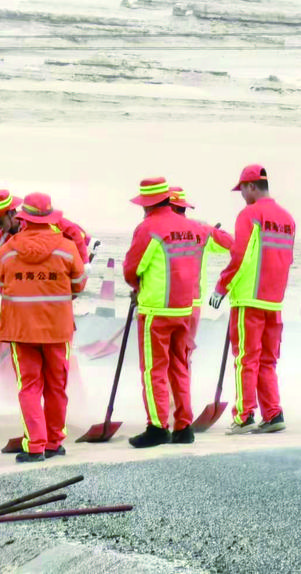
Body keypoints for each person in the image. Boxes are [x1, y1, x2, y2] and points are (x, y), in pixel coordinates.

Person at [0, 192, 87, 462]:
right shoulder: (66, 247)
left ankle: (35, 446)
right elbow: (79, 283)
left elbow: (1, 284)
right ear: (50, 218)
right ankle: (54, 443)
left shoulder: (8, 249)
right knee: (57, 386)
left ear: (24, 218)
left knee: (29, 387)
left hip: (20, 329)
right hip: (57, 329)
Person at [0, 189, 92, 399]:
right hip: (17, 306)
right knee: (1, 346)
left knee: (60, 352)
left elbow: (80, 236)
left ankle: (75, 395)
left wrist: (84, 264)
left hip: (50, 303)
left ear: (11, 213)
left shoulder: (47, 224)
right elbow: (1, 278)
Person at [209, 165, 295, 435]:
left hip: (249, 299)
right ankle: (273, 413)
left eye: (242, 190)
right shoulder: (288, 219)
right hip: (274, 301)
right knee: (267, 360)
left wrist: (221, 287)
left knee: (246, 359)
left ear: (251, 187)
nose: (242, 196)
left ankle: (244, 416)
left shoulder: (250, 214)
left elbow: (240, 255)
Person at [123, 177, 201, 448]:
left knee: (154, 369)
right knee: (179, 367)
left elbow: (132, 268)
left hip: (156, 309)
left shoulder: (148, 227)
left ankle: (157, 427)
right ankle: (184, 427)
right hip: (185, 307)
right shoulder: (191, 227)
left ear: (148, 204)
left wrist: (136, 286)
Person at [169, 187, 234, 361]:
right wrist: (210, 229)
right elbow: (231, 243)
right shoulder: (199, 231)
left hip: (167, 303)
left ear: (169, 208)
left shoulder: (161, 231)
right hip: (193, 303)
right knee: (184, 355)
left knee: (165, 357)